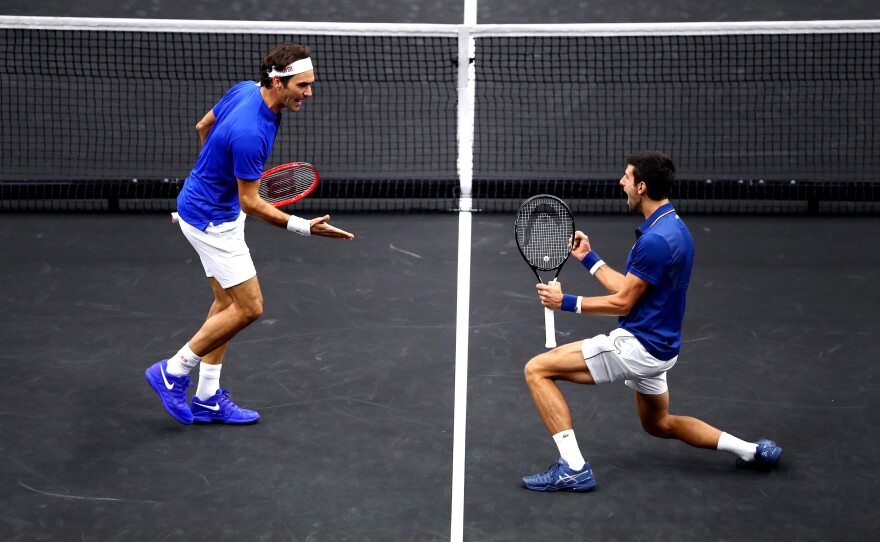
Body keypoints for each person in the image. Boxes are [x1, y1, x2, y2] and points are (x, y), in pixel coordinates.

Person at [521, 150, 781, 492]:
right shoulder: (673, 228)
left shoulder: (655, 242)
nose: (621, 182)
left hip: (637, 347)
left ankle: (573, 468)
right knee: (659, 424)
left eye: (627, 177)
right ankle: (752, 451)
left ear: (641, 187)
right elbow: (633, 289)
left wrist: (565, 302)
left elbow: (622, 302)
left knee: (537, 370)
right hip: (663, 349)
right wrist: (588, 258)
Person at [145, 43, 354, 425]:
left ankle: (207, 397)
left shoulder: (245, 88)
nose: (309, 93)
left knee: (226, 305)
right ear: (277, 82)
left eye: (310, 84)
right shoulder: (252, 133)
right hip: (213, 222)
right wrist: (305, 227)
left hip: (202, 203)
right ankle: (173, 371)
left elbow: (203, 126)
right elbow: (251, 203)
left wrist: (213, 176)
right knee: (250, 308)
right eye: (302, 85)